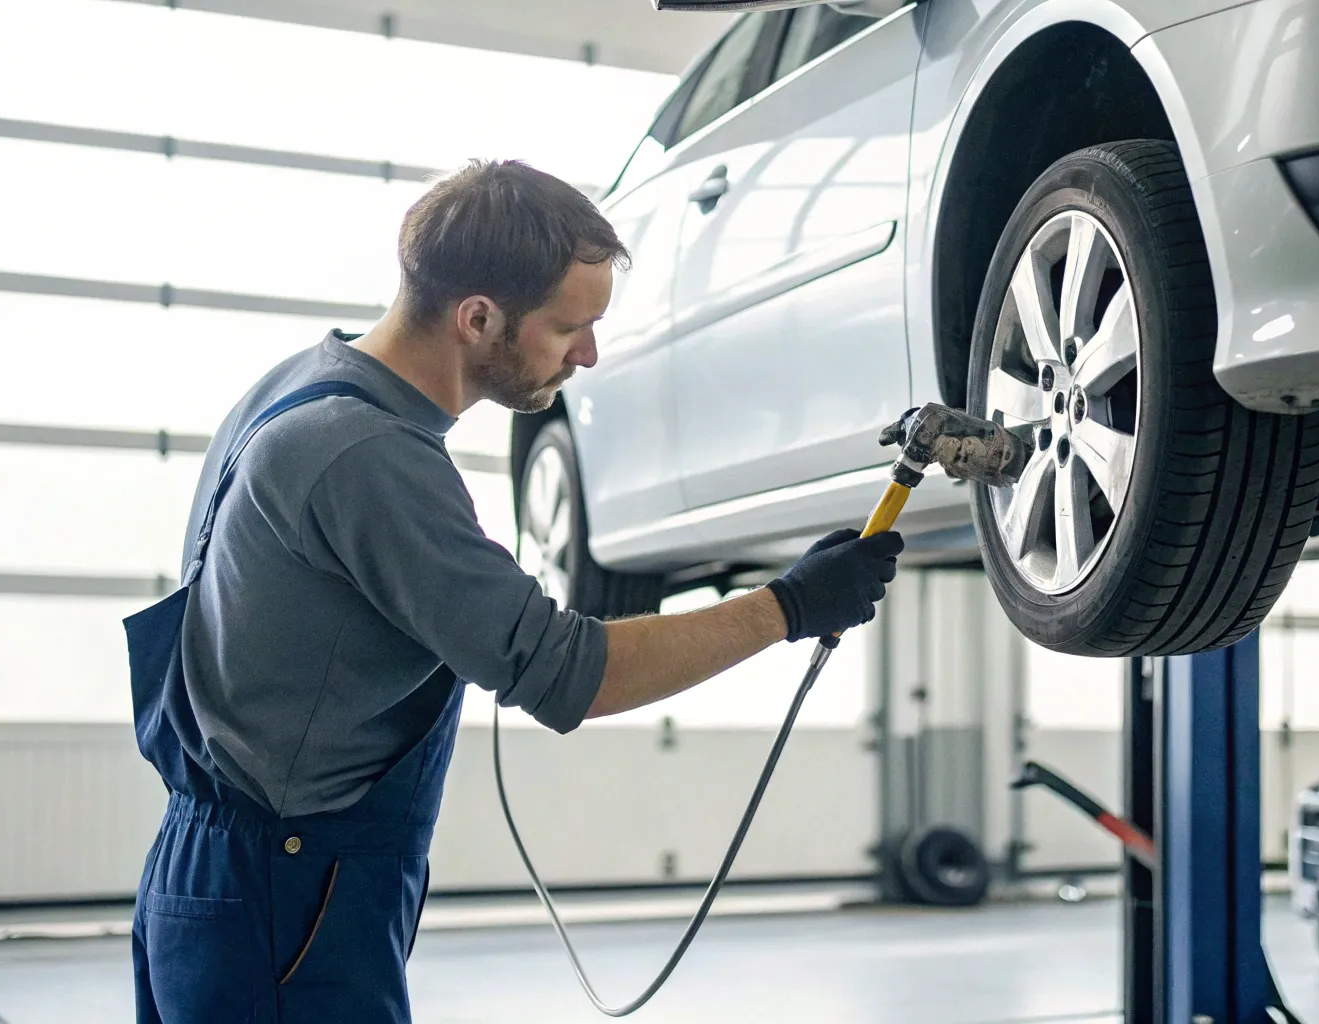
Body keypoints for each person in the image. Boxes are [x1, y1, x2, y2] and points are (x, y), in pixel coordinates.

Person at [124, 159, 904, 1023]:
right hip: (283, 891)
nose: (590, 353)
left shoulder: (299, 385)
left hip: (218, 879)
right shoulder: (366, 456)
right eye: (571, 326)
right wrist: (788, 606)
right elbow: (572, 674)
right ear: (479, 318)